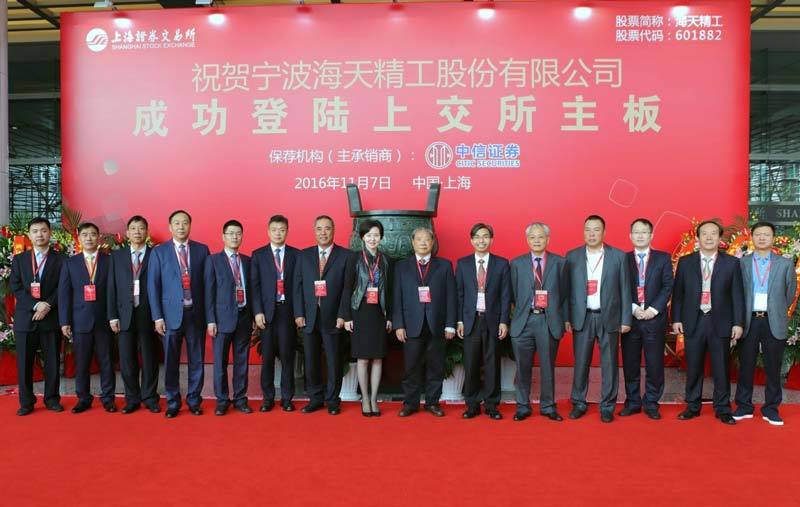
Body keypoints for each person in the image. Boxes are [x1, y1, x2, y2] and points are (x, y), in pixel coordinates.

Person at [672, 220, 744, 425]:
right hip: (693, 320)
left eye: (714, 233)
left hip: (719, 321)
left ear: (720, 238)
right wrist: (676, 319)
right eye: (705, 233)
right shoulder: (685, 262)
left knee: (721, 367)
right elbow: (678, 294)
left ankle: (722, 408)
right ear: (698, 238)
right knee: (693, 366)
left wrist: (738, 323)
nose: (709, 237)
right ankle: (692, 406)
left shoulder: (731, 263)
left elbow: (737, 295)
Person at [565, 215, 632, 423]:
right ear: (583, 232)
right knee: (581, 363)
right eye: (588, 229)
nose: (591, 234)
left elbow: (625, 289)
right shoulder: (572, 256)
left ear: (604, 232)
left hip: (608, 316)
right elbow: (566, 290)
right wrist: (567, 317)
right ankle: (579, 402)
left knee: (609, 364)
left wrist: (626, 319)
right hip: (582, 317)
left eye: (596, 229)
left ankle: (607, 406)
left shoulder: (618, 256)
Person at [147, 210, 210, 418]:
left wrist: (209, 316)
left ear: (190, 225)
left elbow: (207, 285)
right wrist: (157, 317)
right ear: (170, 227)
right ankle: (173, 402)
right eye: (177, 223)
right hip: (169, 315)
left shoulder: (202, 250)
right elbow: (153, 286)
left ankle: (194, 400)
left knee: (197, 360)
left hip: (195, 315)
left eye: (185, 223)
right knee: (171, 361)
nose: (181, 227)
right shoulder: (159, 252)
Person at [733, 221, 796, 426]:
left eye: (766, 235)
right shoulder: (741, 263)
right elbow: (736, 292)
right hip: (748, 320)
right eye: (758, 234)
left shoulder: (785, 264)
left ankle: (771, 409)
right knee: (746, 365)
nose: (762, 238)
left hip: (773, 320)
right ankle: (744, 406)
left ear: (773, 238)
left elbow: (789, 294)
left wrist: (776, 309)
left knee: (773, 367)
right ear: (752, 237)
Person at [293, 215, 355, 415]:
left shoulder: (346, 256)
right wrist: (299, 313)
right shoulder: (304, 255)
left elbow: (348, 289)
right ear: (314, 231)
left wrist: (343, 314)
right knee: (311, 360)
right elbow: (297, 286)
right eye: (319, 229)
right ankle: (315, 398)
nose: (323, 232)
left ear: (333, 230)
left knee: (334, 361)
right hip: (309, 317)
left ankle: (333, 400)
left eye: (327, 228)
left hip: (334, 317)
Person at [393, 227, 457, 417]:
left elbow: (451, 297)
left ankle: (432, 403)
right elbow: (397, 297)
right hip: (411, 324)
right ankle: (410, 403)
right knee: (411, 367)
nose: (423, 243)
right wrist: (399, 324)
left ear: (433, 242)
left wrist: (450, 324)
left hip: (437, 324)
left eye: (427, 239)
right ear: (412, 242)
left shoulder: (444, 265)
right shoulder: (401, 266)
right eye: (419, 239)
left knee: (436, 366)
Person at [509, 222, 568, 422]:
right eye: (532, 237)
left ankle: (548, 406)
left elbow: (565, 294)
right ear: (527, 240)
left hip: (548, 320)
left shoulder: (560, 263)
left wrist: (565, 319)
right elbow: (512, 294)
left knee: (548, 366)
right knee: (522, 366)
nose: (536, 240)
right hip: (524, 320)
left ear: (548, 239)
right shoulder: (516, 264)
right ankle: (522, 406)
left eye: (541, 237)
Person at [10, 217, 65, 416]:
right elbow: (16, 287)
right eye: (35, 231)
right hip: (26, 319)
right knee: (24, 363)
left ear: (50, 233)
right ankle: (26, 402)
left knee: (52, 361)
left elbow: (63, 287)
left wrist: (47, 304)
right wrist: (36, 305)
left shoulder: (61, 259)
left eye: (43, 230)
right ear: (29, 235)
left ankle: (52, 399)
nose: (39, 234)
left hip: (51, 317)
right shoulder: (19, 260)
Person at [619, 218, 674, 420]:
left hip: (654, 320)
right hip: (630, 319)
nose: (640, 235)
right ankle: (633, 402)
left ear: (651, 235)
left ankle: (651, 402)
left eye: (644, 232)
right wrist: (633, 308)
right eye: (636, 232)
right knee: (630, 363)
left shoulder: (663, 258)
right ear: (630, 236)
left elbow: (667, 286)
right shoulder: (622, 259)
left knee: (654, 364)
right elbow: (619, 287)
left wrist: (653, 309)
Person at [455, 223, 511, 420]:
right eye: (477, 237)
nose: (481, 240)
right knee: (470, 363)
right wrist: (460, 321)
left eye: (485, 236)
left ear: (491, 240)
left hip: (492, 320)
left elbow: (506, 295)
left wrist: (504, 321)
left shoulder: (501, 264)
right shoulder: (462, 264)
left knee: (492, 363)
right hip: (471, 320)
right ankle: (471, 404)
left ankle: (491, 404)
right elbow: (459, 294)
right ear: (471, 240)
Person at [59, 222, 116, 413]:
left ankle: (108, 398)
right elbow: (64, 294)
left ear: (98, 237)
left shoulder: (109, 261)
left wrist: (113, 317)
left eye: (93, 234)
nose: (89, 238)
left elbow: (114, 291)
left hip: (104, 320)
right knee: (81, 363)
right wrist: (65, 321)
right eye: (85, 235)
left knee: (106, 362)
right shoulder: (70, 263)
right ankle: (83, 398)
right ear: (79, 237)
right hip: (80, 321)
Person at [107, 215, 160, 414]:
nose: (137, 232)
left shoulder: (156, 254)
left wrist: (159, 316)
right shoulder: (116, 256)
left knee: (149, 359)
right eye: (133, 228)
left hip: (148, 313)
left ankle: (150, 397)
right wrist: (112, 316)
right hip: (124, 314)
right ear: (127, 233)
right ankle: (132, 399)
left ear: (147, 232)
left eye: (141, 228)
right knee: (127, 360)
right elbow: (111, 287)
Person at [250, 214, 299, 412]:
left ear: (287, 231)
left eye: (282, 230)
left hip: (287, 311)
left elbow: (298, 286)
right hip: (267, 314)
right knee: (268, 357)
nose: (278, 233)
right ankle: (268, 398)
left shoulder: (296, 255)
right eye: (274, 230)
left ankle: (287, 398)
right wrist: (257, 312)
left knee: (288, 357)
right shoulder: (258, 255)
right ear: (268, 231)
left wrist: (299, 313)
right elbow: (254, 286)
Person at [344, 220, 392, 417]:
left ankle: (374, 398)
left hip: (380, 312)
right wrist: (347, 316)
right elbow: (347, 288)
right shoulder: (354, 258)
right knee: (363, 358)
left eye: (376, 235)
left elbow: (391, 291)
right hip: (360, 311)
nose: (373, 239)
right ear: (363, 237)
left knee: (378, 358)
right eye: (369, 235)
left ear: (381, 237)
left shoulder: (386, 260)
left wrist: (390, 316)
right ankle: (364, 398)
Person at [205, 220, 253, 416]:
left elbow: (252, 290)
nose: (235, 237)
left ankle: (240, 399)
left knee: (242, 361)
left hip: (244, 317)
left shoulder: (248, 261)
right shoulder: (213, 261)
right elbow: (208, 292)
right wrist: (210, 320)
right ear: (223, 236)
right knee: (220, 362)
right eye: (231, 233)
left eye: (238, 233)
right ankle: (222, 400)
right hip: (221, 319)